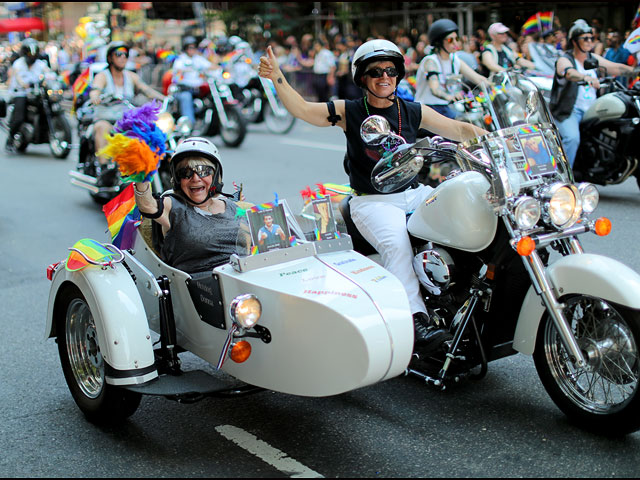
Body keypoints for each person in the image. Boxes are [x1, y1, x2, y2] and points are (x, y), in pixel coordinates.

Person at [258, 38, 488, 356]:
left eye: (390, 70)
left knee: (462, 211)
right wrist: (277, 76)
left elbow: (458, 129)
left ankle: (462, 295)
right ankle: (416, 321)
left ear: (398, 74)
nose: (384, 76)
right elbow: (302, 109)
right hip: (373, 201)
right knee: (396, 245)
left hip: (414, 192)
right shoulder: (349, 111)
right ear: (363, 77)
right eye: (375, 71)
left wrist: (505, 138)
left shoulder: (412, 111)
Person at [133, 137, 241, 273]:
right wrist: (141, 173)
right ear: (177, 180)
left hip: (244, 280)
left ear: (215, 175)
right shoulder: (173, 206)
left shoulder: (232, 205)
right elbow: (147, 205)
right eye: (186, 173)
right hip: (201, 288)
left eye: (204, 171)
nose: (195, 178)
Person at [549, 19, 635, 167]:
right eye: (585, 38)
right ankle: (564, 179)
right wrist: (585, 77)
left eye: (592, 38)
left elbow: (616, 68)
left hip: (591, 109)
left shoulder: (592, 59)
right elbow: (569, 73)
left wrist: (635, 71)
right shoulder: (565, 59)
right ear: (575, 41)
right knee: (572, 138)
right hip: (569, 111)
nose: (590, 41)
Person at [89, 41, 166, 165]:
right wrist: (95, 97)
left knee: (146, 131)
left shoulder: (131, 76)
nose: (123, 57)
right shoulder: (103, 76)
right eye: (119, 54)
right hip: (107, 119)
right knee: (102, 128)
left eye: (125, 54)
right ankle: (103, 167)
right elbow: (95, 90)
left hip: (126, 121)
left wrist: (165, 98)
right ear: (110, 58)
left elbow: (146, 90)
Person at [414, 19, 491, 119]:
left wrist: (494, 85)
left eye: (457, 39)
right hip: (427, 109)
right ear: (439, 42)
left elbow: (477, 78)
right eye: (450, 40)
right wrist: (449, 96)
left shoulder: (454, 60)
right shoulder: (431, 61)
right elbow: (435, 89)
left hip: (445, 108)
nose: (456, 43)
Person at [5, 38, 50, 153]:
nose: (32, 56)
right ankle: (10, 140)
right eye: (30, 53)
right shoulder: (18, 64)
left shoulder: (40, 64)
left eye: (34, 53)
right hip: (20, 93)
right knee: (19, 117)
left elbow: (49, 74)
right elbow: (19, 79)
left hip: (37, 92)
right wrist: (24, 84)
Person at [172, 36, 215, 126]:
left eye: (194, 47)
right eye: (190, 47)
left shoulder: (198, 58)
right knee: (186, 98)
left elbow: (209, 66)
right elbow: (178, 70)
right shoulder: (181, 59)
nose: (192, 50)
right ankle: (189, 125)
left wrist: (221, 67)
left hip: (198, 89)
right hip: (184, 89)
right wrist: (187, 69)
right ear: (185, 48)